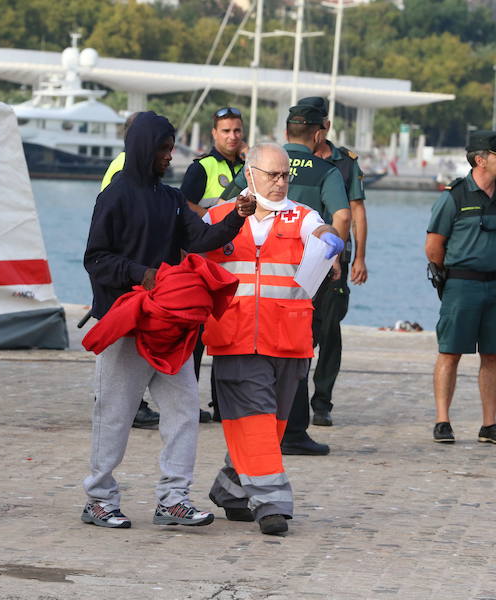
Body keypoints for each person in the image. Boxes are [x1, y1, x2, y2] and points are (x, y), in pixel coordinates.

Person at [81, 111, 255, 529]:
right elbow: (95, 259)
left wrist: (237, 216)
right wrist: (140, 274)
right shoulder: (115, 197)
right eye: (162, 148)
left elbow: (201, 239)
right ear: (144, 148)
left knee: (183, 412)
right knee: (114, 415)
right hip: (125, 325)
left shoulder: (171, 199)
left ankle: (172, 499)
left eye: (170, 147)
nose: (168, 155)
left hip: (170, 328)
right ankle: (98, 500)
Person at [203, 142, 345, 535]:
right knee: (258, 421)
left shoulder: (301, 215)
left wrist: (330, 238)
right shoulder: (220, 216)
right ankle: (272, 504)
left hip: (289, 339)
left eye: (285, 175)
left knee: (271, 424)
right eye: (273, 175)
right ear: (250, 174)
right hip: (236, 339)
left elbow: (319, 228)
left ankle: (231, 491)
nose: (281, 183)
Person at [425, 130, 496, 445]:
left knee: (493, 354)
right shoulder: (453, 197)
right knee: (450, 352)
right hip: (461, 285)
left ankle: (489, 425)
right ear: (480, 159)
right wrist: (452, 274)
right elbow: (433, 247)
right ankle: (442, 421)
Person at [296, 96, 368, 428]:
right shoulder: (292, 161)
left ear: (326, 126)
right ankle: (292, 393)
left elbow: (355, 212)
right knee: (299, 331)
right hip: (297, 257)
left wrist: (360, 258)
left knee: (329, 329)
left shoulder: (345, 162)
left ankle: (321, 401)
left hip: (335, 258)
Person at [181, 107, 247, 423]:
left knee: (230, 338)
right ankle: (187, 403)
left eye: (236, 130)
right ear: (214, 134)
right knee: (195, 340)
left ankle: (224, 404)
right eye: (226, 131)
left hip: (238, 262)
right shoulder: (201, 169)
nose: (232, 136)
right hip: (206, 261)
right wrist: (222, 213)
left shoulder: (251, 167)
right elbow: (183, 207)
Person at [98, 113, 160, 430]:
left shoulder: (126, 164)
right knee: (122, 349)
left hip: (128, 271)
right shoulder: (125, 170)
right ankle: (130, 405)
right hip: (126, 275)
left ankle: (131, 403)